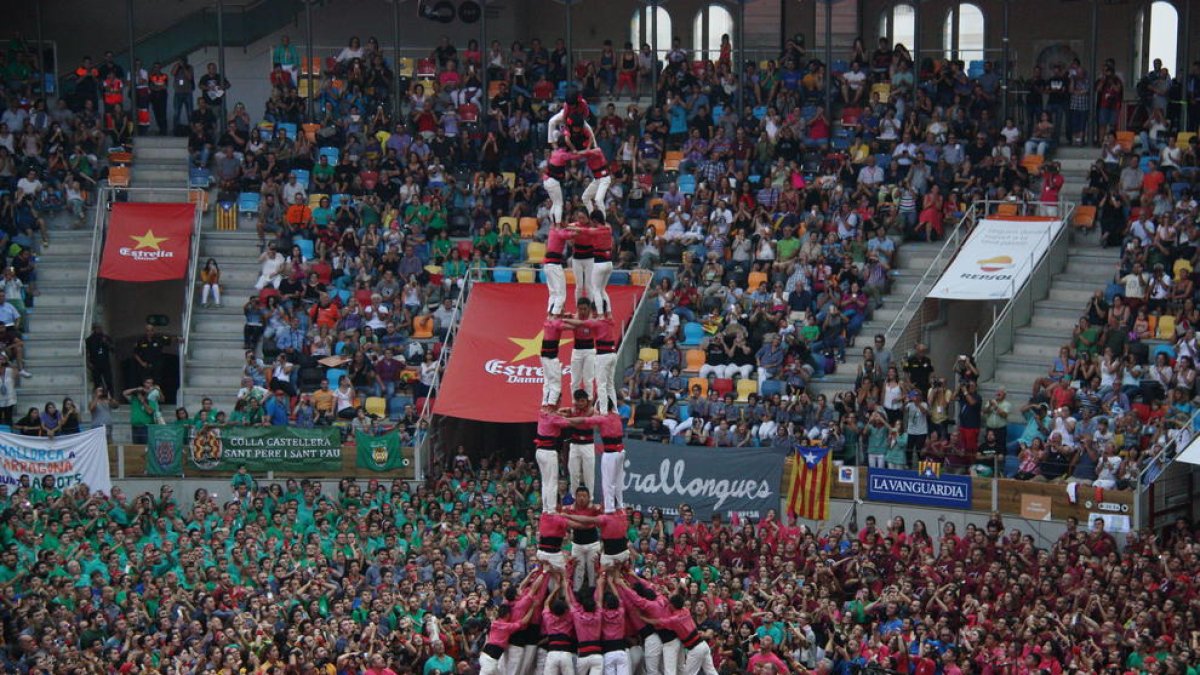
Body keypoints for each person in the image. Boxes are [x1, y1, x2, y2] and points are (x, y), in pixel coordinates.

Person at [567, 409, 625, 513]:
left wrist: (566, 419)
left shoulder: (599, 416)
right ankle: (619, 506)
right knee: (617, 481)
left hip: (607, 451)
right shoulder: (616, 415)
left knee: (603, 480)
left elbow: (584, 420)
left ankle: (606, 507)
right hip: (619, 451)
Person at [563, 486, 602, 591]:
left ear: (589, 497)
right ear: (575, 497)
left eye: (584, 496)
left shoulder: (594, 508)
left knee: (592, 568)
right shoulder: (569, 509)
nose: (582, 498)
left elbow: (599, 520)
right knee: (578, 569)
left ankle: (593, 592)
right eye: (579, 496)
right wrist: (588, 522)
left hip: (593, 544)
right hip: (577, 544)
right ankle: (576, 591)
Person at [536, 404, 571, 513]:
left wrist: (561, 412)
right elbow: (567, 423)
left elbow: (558, 414)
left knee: (545, 482)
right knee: (552, 482)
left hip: (540, 451)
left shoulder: (542, 413)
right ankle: (551, 509)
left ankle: (545, 508)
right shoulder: (553, 417)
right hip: (549, 451)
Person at [544, 215, 579, 316]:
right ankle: (555, 314)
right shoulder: (560, 232)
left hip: (548, 264)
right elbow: (574, 233)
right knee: (561, 294)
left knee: (553, 292)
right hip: (554, 265)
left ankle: (550, 314)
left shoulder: (552, 230)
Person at [85, 322, 115, 393]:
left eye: (100, 328)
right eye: (98, 328)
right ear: (94, 329)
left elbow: (113, 349)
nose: (100, 330)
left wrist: (106, 343)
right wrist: (88, 362)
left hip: (105, 363)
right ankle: (98, 398)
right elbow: (87, 352)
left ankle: (111, 397)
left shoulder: (106, 337)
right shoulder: (89, 340)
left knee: (109, 381)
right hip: (95, 364)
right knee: (97, 383)